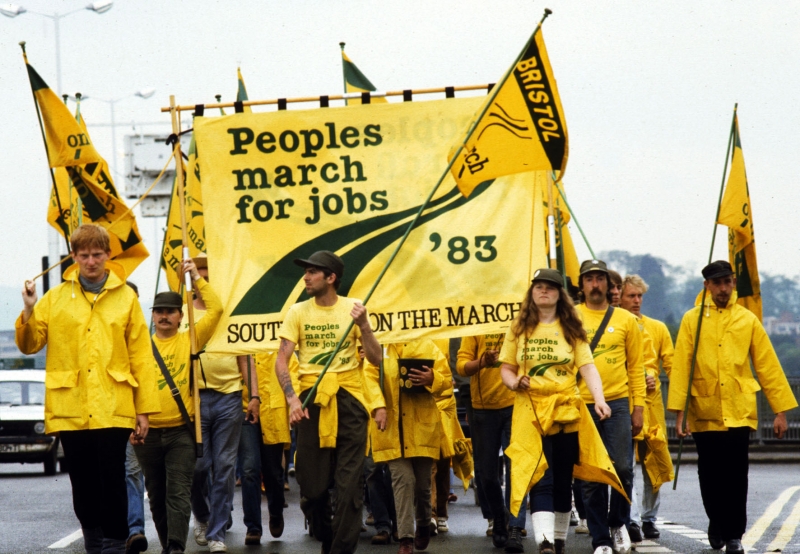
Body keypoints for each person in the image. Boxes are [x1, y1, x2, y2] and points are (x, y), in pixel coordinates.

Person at [16, 224, 159, 554]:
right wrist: (28, 308)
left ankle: (113, 543)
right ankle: (93, 540)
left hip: (113, 403)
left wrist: (144, 410)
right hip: (71, 406)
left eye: (97, 254)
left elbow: (141, 356)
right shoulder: (54, 299)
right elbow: (29, 344)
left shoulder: (126, 298)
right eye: (84, 255)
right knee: (82, 483)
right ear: (74, 257)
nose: (91, 261)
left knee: (113, 478)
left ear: (108, 255)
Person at [668, 260, 798, 554]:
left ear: (734, 282)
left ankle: (735, 534)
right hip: (705, 408)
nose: (723, 288)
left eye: (728, 282)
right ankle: (716, 521)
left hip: (739, 409)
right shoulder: (692, 320)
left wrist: (780, 411)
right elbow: (681, 367)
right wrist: (680, 412)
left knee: (737, 474)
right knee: (710, 473)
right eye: (717, 283)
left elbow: (767, 365)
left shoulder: (747, 319)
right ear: (707, 286)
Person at [499, 268, 625, 554]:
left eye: (551, 287)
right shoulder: (519, 328)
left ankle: (558, 541)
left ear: (560, 295)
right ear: (531, 293)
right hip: (530, 411)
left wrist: (600, 399)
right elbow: (506, 368)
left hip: (566, 411)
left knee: (563, 479)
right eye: (538, 286)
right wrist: (514, 381)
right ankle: (543, 542)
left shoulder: (571, 327)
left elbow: (587, 366)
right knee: (539, 475)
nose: (544, 291)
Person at [276, 250, 382, 554]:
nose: (306, 277)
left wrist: (363, 326)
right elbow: (282, 361)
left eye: (312, 272)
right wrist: (293, 399)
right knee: (312, 488)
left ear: (331, 278)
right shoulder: (297, 311)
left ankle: (340, 549)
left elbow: (376, 359)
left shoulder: (355, 309)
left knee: (349, 486)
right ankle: (324, 531)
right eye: (306, 272)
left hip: (350, 402)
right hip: (311, 402)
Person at [135, 260, 222, 554]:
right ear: (153, 316)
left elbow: (217, 310)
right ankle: (167, 543)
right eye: (158, 311)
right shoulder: (141, 347)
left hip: (180, 432)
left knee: (178, 492)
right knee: (157, 495)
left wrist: (196, 277)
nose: (163, 316)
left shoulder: (190, 340)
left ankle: (175, 547)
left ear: (180, 315)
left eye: (170, 311)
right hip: (147, 436)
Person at [189, 254, 258, 553]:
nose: (202, 280)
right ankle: (202, 517)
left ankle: (217, 533)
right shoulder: (185, 314)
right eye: (198, 274)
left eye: (207, 274)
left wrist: (252, 396)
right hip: (195, 400)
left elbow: (246, 355)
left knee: (226, 467)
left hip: (230, 398)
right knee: (197, 467)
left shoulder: (230, 311)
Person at [575, 259, 646, 554]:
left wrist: (638, 407)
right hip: (582, 404)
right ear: (582, 285)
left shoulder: (626, 320)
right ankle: (600, 538)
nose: (595, 284)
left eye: (599, 279)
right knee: (591, 476)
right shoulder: (570, 317)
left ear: (608, 283)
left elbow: (636, 367)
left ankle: (618, 523)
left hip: (617, 402)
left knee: (623, 469)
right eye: (589, 279)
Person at [364, 340, 451, 554]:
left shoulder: (427, 346)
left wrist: (433, 379)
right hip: (392, 430)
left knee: (422, 486)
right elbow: (368, 377)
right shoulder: (380, 347)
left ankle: (423, 522)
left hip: (421, 428)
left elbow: (447, 382)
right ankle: (405, 537)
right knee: (403, 481)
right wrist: (379, 406)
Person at [619, 274, 674, 540]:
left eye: (640, 296)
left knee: (654, 463)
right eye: (631, 296)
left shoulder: (658, 328)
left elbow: (673, 365)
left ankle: (650, 518)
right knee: (625, 465)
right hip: (623, 401)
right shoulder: (616, 325)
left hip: (652, 406)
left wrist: (682, 404)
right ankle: (629, 520)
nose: (637, 301)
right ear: (620, 297)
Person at [456, 333, 522, 548]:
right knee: (486, 474)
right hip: (484, 409)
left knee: (516, 469)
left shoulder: (518, 322)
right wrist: (482, 362)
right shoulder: (476, 326)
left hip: (515, 404)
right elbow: (460, 366)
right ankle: (499, 516)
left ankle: (514, 526)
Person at [237, 350, 299, 545]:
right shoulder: (242, 336)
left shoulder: (278, 339)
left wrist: (295, 402)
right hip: (245, 408)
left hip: (273, 410)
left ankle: (276, 512)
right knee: (249, 469)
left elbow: (293, 371)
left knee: (273, 471)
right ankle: (253, 526)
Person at [123, 280, 149, 554]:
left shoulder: (144, 335)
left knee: (132, 473)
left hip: (132, 417)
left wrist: (141, 415)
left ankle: (134, 531)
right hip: (107, 416)